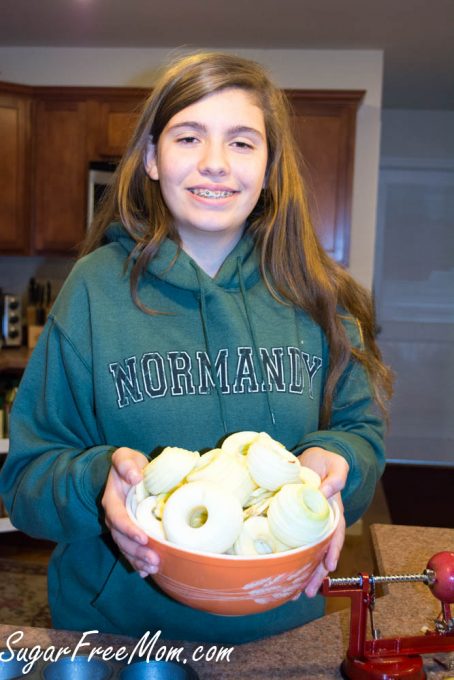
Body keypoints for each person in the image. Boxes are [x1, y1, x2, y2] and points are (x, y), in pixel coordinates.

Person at [0, 51, 393, 643]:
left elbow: (360, 434)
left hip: (278, 634)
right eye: (189, 137)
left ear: (270, 166)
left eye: (241, 142)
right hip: (119, 635)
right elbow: (27, 479)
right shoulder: (94, 291)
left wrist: (339, 463)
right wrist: (96, 481)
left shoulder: (317, 294)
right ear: (153, 159)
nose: (215, 165)